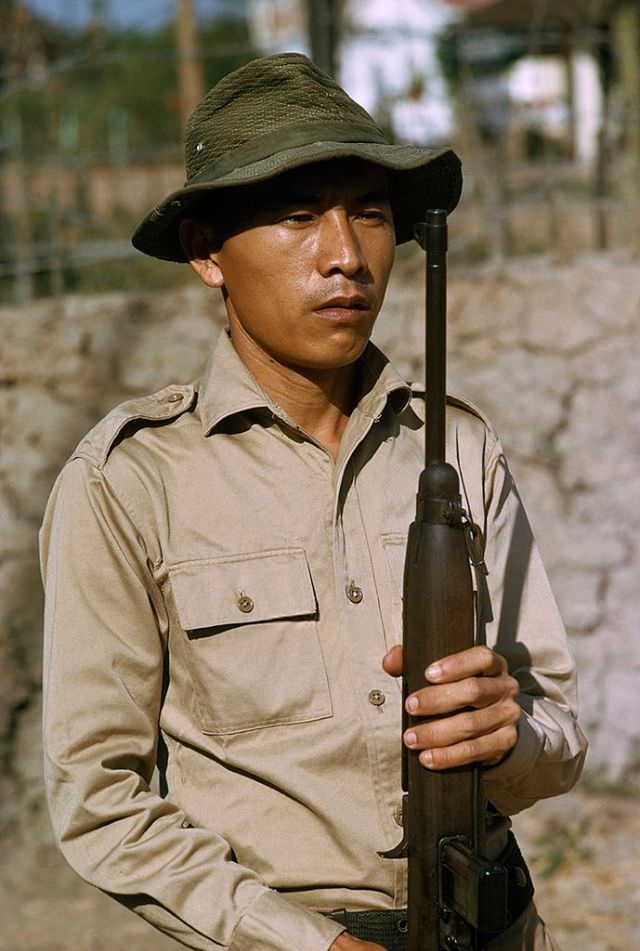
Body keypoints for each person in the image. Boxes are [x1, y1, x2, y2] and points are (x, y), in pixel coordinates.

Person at [40, 53, 586, 951]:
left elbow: (557, 734)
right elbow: (102, 801)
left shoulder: (457, 446)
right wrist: (305, 943)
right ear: (205, 252)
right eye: (298, 216)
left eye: (370, 213)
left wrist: (508, 736)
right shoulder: (128, 482)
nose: (347, 255)